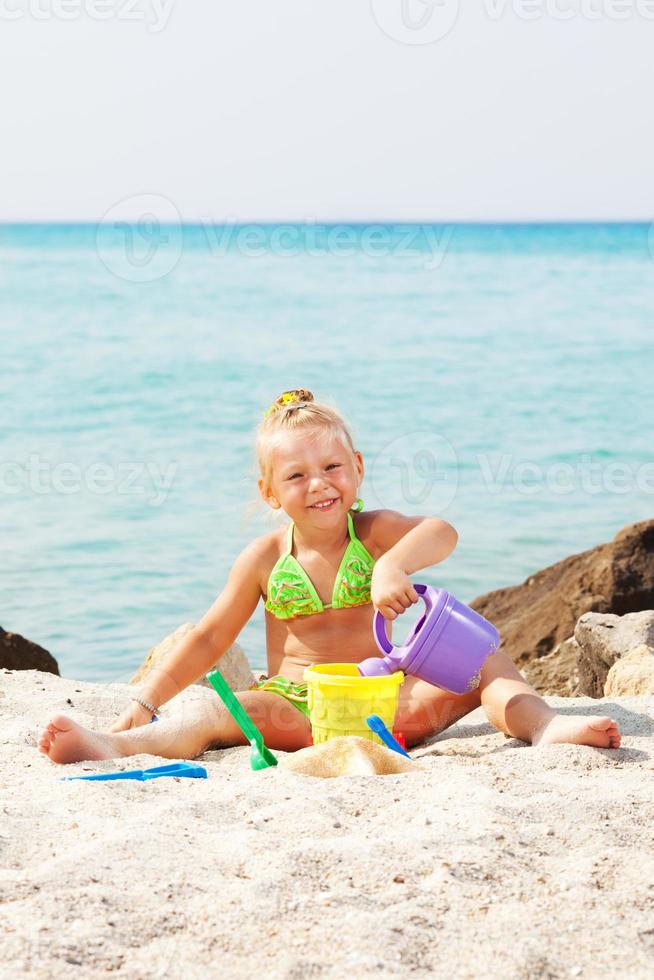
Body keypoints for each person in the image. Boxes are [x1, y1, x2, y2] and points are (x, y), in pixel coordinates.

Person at [39, 388, 621, 765]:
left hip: (391, 705)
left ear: (358, 469)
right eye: (296, 475)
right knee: (214, 712)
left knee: (485, 657)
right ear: (269, 492)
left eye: (332, 467)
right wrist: (145, 698)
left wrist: (394, 563)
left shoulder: (374, 532)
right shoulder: (265, 558)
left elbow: (443, 531)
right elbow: (211, 639)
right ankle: (115, 743)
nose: (318, 484)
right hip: (301, 708)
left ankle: (541, 726)